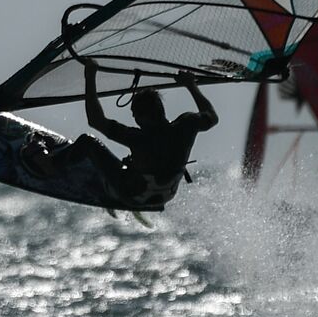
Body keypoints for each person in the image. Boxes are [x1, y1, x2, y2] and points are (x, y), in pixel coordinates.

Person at [22, 61, 218, 209]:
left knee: (88, 142)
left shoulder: (138, 138)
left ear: (141, 117)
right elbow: (212, 117)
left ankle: (49, 165)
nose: (133, 119)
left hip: (131, 194)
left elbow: (96, 120)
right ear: (161, 109)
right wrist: (191, 85)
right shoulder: (187, 124)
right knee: (130, 167)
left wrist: (90, 76)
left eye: (134, 114)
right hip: (165, 195)